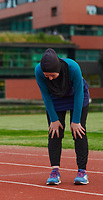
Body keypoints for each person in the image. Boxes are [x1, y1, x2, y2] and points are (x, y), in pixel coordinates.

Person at [35, 48, 90, 185]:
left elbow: (79, 93)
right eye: (47, 76)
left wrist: (76, 121)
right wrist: (53, 119)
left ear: (58, 69)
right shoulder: (38, 71)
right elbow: (45, 95)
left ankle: (82, 172)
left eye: (53, 75)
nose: (50, 78)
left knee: (79, 132)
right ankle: (55, 171)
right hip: (55, 98)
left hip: (76, 97)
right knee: (54, 133)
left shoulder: (73, 67)